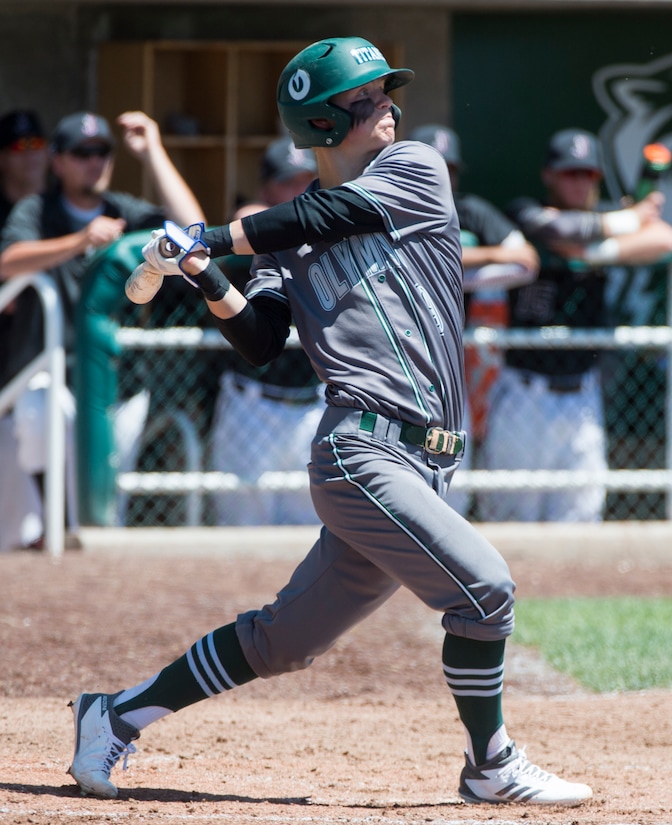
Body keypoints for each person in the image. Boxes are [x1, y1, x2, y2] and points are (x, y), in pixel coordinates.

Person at [67, 37, 593, 807]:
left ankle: (113, 713)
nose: (389, 105)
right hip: (361, 453)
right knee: (484, 591)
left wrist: (213, 237)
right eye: (369, 97)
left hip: (430, 462)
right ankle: (492, 762)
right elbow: (260, 339)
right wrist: (207, 274)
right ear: (322, 122)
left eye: (385, 91)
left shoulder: (414, 172)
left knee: (281, 642)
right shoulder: (283, 239)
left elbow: (330, 211)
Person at [0, 110, 205, 548]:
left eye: (102, 152)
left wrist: (153, 151)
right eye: (81, 153)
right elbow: (8, 261)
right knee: (39, 413)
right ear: (58, 162)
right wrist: (80, 240)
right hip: (52, 370)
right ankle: (54, 528)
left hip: (119, 376)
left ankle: (90, 562)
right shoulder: (38, 210)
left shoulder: (123, 210)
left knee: (106, 500)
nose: (94, 161)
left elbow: (194, 232)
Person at [478, 128, 672, 522]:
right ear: (549, 175)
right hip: (524, 390)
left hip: (582, 396)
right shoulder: (524, 210)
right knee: (510, 519)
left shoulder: (608, 219)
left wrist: (596, 252)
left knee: (580, 517)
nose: (579, 182)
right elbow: (555, 232)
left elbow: (667, 239)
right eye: (570, 173)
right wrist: (625, 222)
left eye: (587, 174)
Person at [408, 124, 539, 513]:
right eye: (430, 166)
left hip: (446, 371)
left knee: (451, 491)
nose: (439, 177)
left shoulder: (470, 212)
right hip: (396, 364)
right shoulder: (387, 209)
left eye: (447, 168)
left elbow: (526, 261)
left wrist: (459, 269)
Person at [209, 134, 325, 525]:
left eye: (304, 180)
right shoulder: (253, 230)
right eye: (286, 182)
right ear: (266, 187)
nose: (296, 191)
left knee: (312, 529)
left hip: (313, 402)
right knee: (242, 528)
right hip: (253, 404)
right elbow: (248, 216)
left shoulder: (324, 225)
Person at [0, 109, 49, 551]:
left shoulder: (56, 206)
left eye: (38, 145)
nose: (32, 155)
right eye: (20, 147)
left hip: (50, 359)